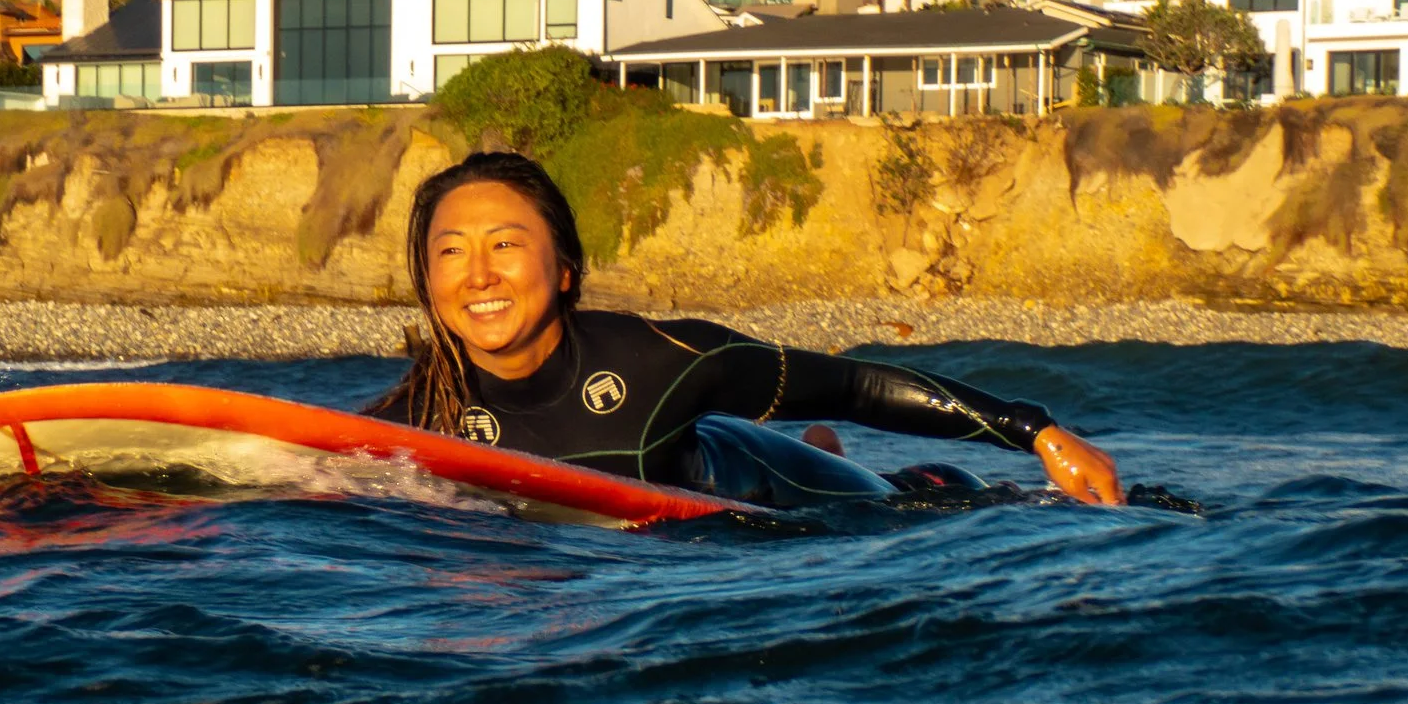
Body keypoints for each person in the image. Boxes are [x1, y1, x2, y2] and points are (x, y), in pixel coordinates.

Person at [369, 150, 1124, 507]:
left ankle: (821, 452)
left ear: (564, 267)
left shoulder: (661, 360)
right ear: (429, 283)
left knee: (913, 497)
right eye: (450, 252)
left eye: (505, 244)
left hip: (789, 492)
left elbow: (852, 384)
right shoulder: (417, 414)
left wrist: (1038, 433)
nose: (479, 275)